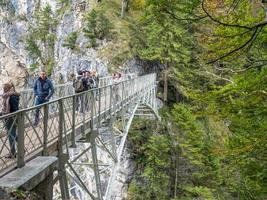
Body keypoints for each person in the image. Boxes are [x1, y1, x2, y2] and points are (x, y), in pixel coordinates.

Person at [1, 82, 20, 158]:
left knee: (11, 135)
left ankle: (12, 153)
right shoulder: (10, 95)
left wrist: (13, 116)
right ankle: (21, 149)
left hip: (11, 118)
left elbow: (15, 109)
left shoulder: (12, 96)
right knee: (13, 134)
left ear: (7, 88)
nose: (3, 90)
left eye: (4, 88)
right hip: (9, 117)